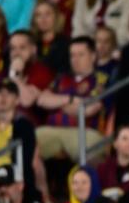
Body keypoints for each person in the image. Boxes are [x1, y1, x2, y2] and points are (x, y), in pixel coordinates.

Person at [34, 36, 108, 165]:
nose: (75, 60)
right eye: (72, 55)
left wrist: (56, 103)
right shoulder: (61, 79)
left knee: (88, 152)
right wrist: (70, 99)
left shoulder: (100, 79)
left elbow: (87, 110)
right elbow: (41, 100)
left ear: (93, 56)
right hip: (52, 130)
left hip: (83, 131)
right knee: (27, 146)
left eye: (81, 55)